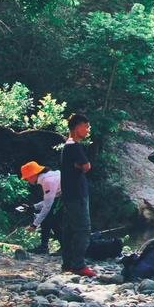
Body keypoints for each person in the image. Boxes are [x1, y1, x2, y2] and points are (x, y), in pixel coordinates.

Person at [60, 113, 95, 277]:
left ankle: (67, 263)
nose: (88, 130)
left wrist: (78, 166)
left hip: (68, 193)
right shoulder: (74, 146)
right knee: (82, 229)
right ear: (77, 127)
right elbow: (87, 166)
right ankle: (79, 265)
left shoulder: (67, 145)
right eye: (85, 126)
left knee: (69, 229)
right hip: (77, 193)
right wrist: (81, 166)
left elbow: (81, 165)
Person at [20, 161, 62, 254]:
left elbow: (47, 206)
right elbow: (49, 200)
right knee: (52, 220)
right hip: (64, 197)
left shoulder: (47, 181)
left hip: (72, 198)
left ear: (32, 175)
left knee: (49, 218)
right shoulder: (49, 177)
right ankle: (59, 246)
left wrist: (34, 225)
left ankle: (45, 247)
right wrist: (33, 207)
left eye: (27, 178)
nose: (27, 181)